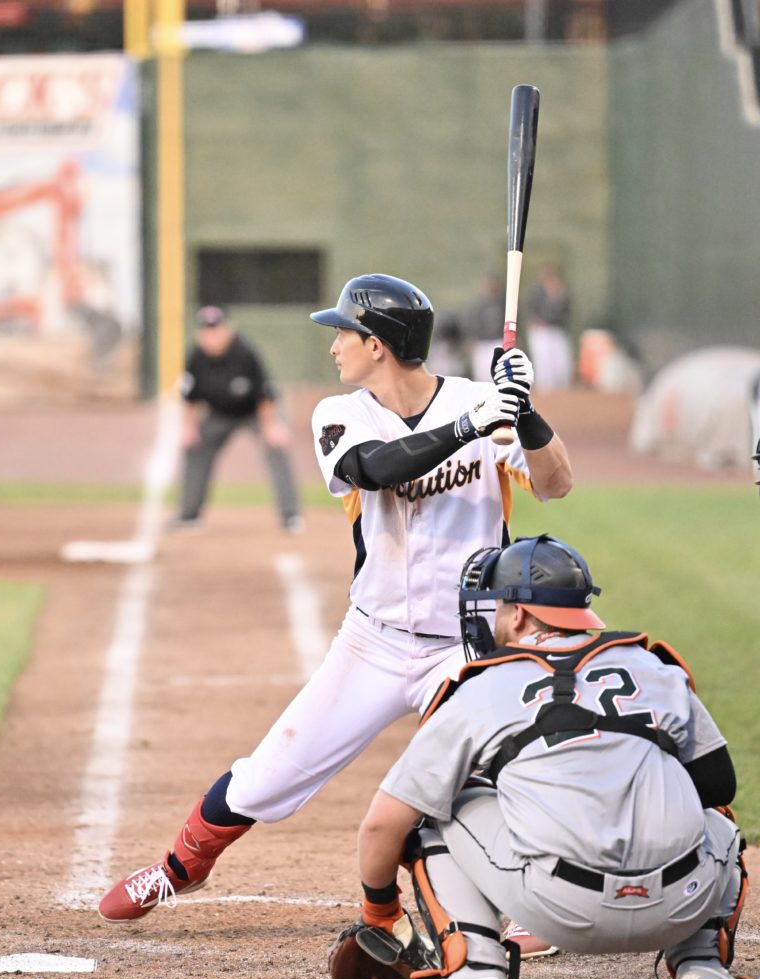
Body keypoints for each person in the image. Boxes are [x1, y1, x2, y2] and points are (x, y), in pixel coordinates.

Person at [97, 272, 573, 923]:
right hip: (374, 640)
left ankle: (521, 903)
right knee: (269, 774)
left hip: (466, 647)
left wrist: (525, 411)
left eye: (343, 332)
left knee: (490, 778)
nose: (333, 346)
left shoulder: (483, 403)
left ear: (377, 343)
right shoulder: (343, 413)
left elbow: (557, 484)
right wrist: (471, 424)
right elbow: (374, 468)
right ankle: (182, 866)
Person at [351, 534, 755, 979]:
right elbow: (717, 785)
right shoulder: (653, 667)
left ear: (518, 614)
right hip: (682, 903)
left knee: (434, 810)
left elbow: (381, 826)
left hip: (558, 909)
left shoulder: (483, 686)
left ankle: (475, 973)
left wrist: (379, 912)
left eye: (495, 607)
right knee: (716, 818)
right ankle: (704, 968)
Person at [172, 305, 301, 532]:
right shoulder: (195, 356)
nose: (211, 336)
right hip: (219, 413)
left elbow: (266, 393)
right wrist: (189, 428)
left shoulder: (244, 352)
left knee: (276, 445)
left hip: (256, 411)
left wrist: (271, 426)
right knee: (195, 447)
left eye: (215, 329)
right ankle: (189, 515)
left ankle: (290, 515)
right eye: (206, 330)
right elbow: (189, 397)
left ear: (227, 330)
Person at [524, 263, 574, 391]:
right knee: (544, 364)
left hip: (557, 330)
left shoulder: (561, 291)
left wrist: (557, 296)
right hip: (541, 331)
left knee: (562, 364)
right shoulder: (536, 292)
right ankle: (545, 392)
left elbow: (567, 312)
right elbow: (530, 311)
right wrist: (535, 321)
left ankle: (562, 389)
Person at [463, 272, 506, 382]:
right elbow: (471, 323)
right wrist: (471, 340)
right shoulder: (477, 304)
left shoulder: (502, 302)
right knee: (481, 375)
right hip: (481, 343)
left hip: (498, 340)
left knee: (499, 373)